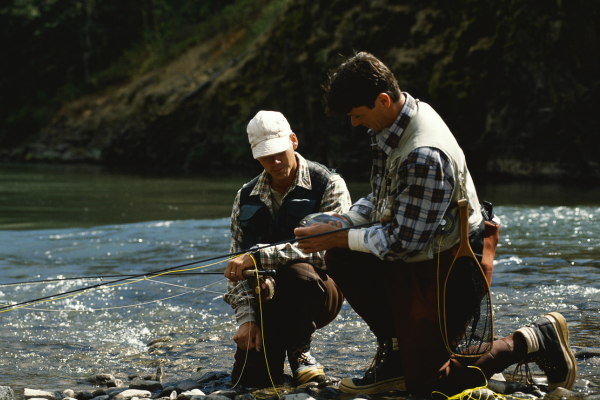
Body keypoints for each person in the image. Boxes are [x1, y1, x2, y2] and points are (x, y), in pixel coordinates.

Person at [294, 52, 577, 396]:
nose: (354, 123)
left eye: (357, 115)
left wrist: (339, 237)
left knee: (429, 387)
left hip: (455, 265)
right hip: (424, 253)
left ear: (383, 100)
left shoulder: (423, 154)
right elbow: (382, 197)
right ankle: (398, 355)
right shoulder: (393, 123)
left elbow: (402, 243)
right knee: (342, 256)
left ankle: (533, 339)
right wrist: (340, 222)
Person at [223, 110, 352, 387]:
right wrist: (246, 319)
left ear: (293, 141)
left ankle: (299, 351)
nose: (276, 161)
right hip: (265, 297)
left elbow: (327, 248)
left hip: (319, 291)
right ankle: (278, 346)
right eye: (266, 156)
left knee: (298, 275)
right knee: (249, 381)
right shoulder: (244, 196)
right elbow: (236, 266)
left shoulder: (329, 184)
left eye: (279, 151)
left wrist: (259, 256)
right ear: (255, 156)